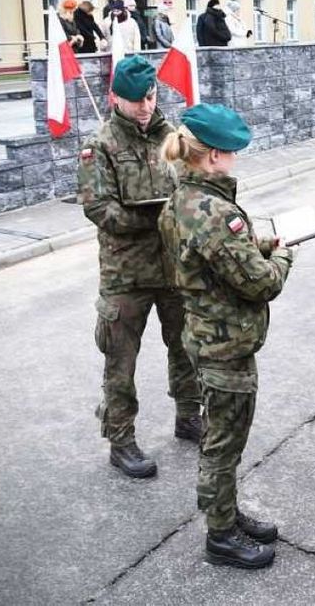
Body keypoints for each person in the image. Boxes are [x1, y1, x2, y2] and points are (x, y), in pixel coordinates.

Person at [158, 103, 293, 570]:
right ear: (213, 155)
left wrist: (258, 245)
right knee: (223, 441)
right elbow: (262, 283)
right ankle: (220, 536)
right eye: (232, 151)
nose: (236, 158)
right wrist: (284, 256)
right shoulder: (216, 211)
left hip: (204, 333)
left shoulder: (182, 199)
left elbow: (205, 257)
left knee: (222, 435)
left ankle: (227, 513)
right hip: (225, 345)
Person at [76, 55, 201, 480]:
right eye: (135, 101)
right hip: (125, 273)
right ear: (115, 97)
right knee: (120, 360)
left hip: (171, 268)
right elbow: (100, 209)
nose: (145, 107)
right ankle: (121, 440)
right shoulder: (101, 145)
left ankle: (188, 416)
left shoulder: (172, 135)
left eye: (149, 97)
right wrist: (155, 219)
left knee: (185, 347)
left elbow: (192, 184)